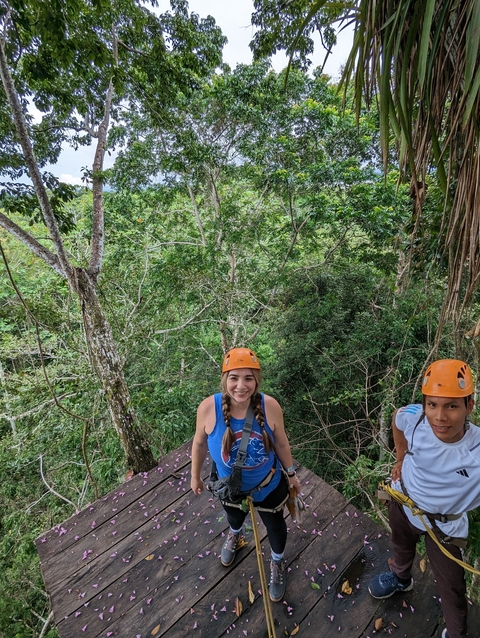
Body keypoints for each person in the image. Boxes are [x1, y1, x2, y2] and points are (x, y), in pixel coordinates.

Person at [368, 359, 480, 638]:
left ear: (470, 406)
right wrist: (400, 456)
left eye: (452, 406)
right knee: (400, 545)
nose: (439, 417)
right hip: (405, 502)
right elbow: (397, 418)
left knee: (452, 585)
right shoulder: (417, 419)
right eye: (433, 404)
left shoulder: (476, 450)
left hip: (444, 527)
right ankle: (400, 578)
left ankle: (457, 634)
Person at [190, 347, 301, 602]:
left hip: (268, 485)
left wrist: (292, 474)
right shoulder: (209, 407)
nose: (241, 386)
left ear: (257, 381)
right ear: (224, 380)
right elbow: (198, 444)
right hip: (230, 486)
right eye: (234, 378)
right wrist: (195, 475)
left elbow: (282, 444)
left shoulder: (269, 406)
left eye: (248, 378)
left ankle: (276, 562)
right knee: (233, 515)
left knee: (275, 525)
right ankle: (236, 534)